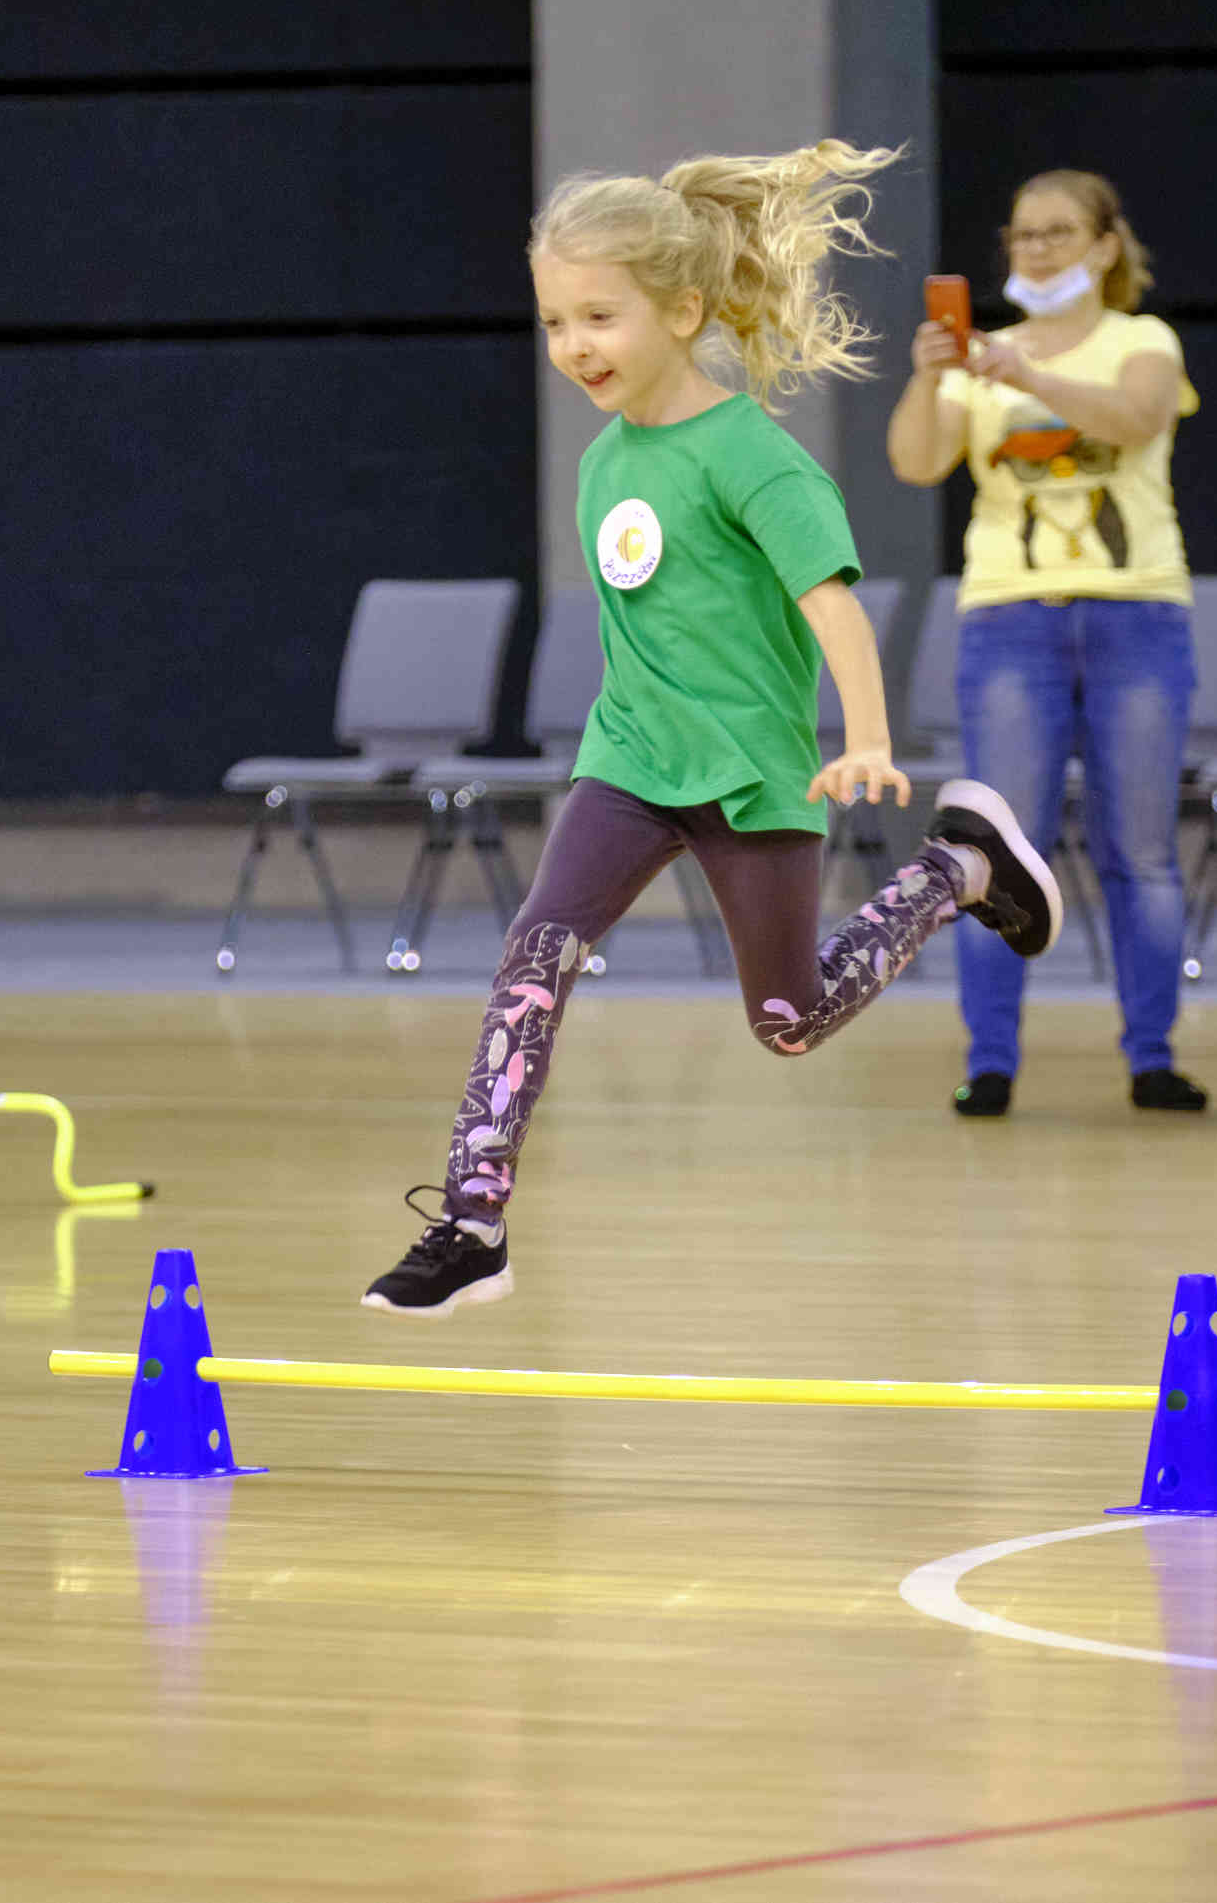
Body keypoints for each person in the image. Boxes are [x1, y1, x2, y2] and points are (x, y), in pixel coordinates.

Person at [362, 141, 1064, 1319]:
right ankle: (472, 1222)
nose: (573, 344)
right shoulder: (601, 465)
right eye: (552, 321)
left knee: (787, 1024)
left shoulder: (751, 455)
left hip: (751, 772)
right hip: (631, 761)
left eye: (598, 315)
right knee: (533, 959)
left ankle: (959, 867)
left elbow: (829, 604)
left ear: (682, 310)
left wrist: (870, 736)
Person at [885, 168, 1204, 1119]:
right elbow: (915, 461)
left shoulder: (1141, 340)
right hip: (1009, 616)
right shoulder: (985, 357)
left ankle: (1151, 1056)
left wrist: (1024, 376)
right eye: (1021, 235)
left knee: (1138, 848)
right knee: (991, 850)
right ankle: (990, 1062)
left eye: (1058, 233)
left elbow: (1137, 416)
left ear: (1106, 246)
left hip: (1134, 609)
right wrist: (930, 373)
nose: (1035, 250)